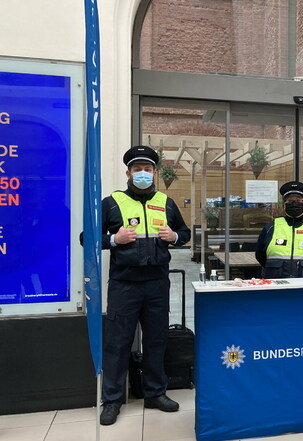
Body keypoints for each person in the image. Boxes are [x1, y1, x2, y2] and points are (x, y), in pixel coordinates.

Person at [94, 146, 191, 425]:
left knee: (156, 340)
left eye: (148, 169)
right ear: (128, 173)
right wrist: (114, 240)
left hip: (157, 283)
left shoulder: (166, 202)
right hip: (125, 285)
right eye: (137, 169)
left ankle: (155, 393)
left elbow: (183, 233)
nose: (143, 174)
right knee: (117, 343)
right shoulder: (111, 203)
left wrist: (174, 236)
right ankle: (112, 400)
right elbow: (86, 237)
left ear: (155, 173)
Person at [255, 181, 303, 278]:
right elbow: (260, 256)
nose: (294, 203)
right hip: (276, 284)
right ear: (284, 204)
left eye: (299, 200)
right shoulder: (271, 227)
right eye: (290, 201)